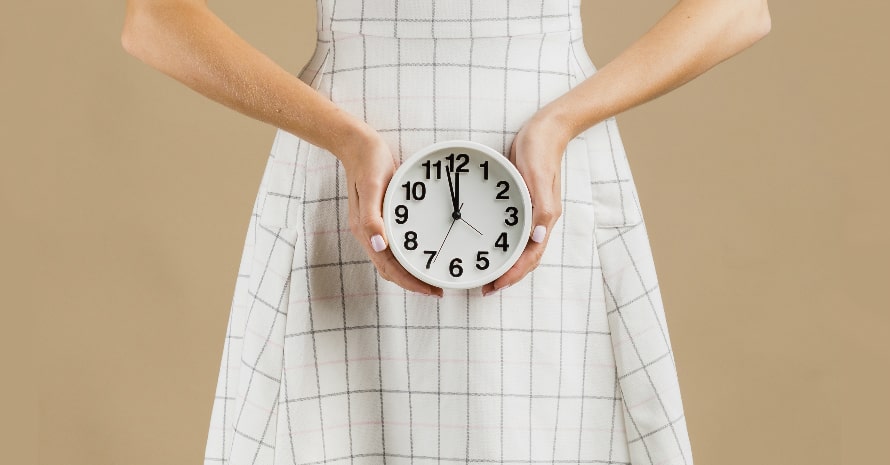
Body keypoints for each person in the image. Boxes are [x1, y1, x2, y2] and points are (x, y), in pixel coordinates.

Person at [122, 1, 770, 464]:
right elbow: (152, 18)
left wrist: (563, 122)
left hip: (546, 171)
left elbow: (738, 9)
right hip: (345, 168)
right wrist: (342, 137)